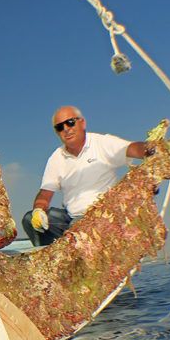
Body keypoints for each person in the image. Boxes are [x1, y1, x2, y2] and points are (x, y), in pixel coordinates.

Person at [23, 106, 151, 247]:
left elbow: (132, 148)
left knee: (78, 228)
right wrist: (38, 210)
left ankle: (77, 252)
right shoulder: (56, 158)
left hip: (103, 218)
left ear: (82, 123)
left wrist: (151, 149)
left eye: (70, 122)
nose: (66, 129)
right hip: (71, 218)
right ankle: (53, 257)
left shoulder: (101, 143)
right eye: (60, 127)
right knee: (29, 220)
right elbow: (44, 194)